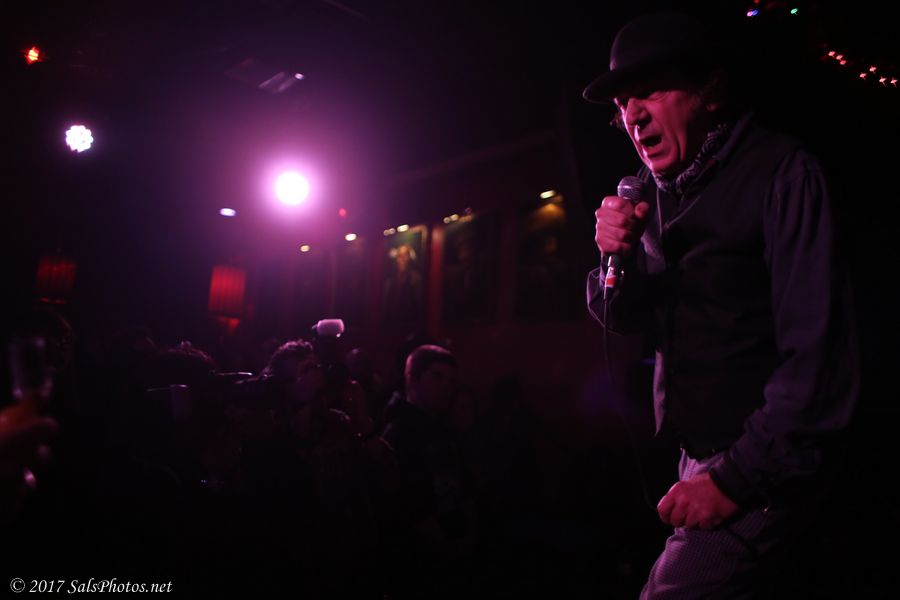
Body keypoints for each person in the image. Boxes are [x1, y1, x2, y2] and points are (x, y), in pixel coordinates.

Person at [583, 11, 859, 598]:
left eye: (649, 91)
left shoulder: (782, 174)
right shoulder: (652, 193)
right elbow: (623, 317)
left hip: (765, 464)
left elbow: (818, 362)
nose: (632, 115)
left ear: (708, 91)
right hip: (699, 457)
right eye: (623, 103)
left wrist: (733, 480)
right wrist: (614, 257)